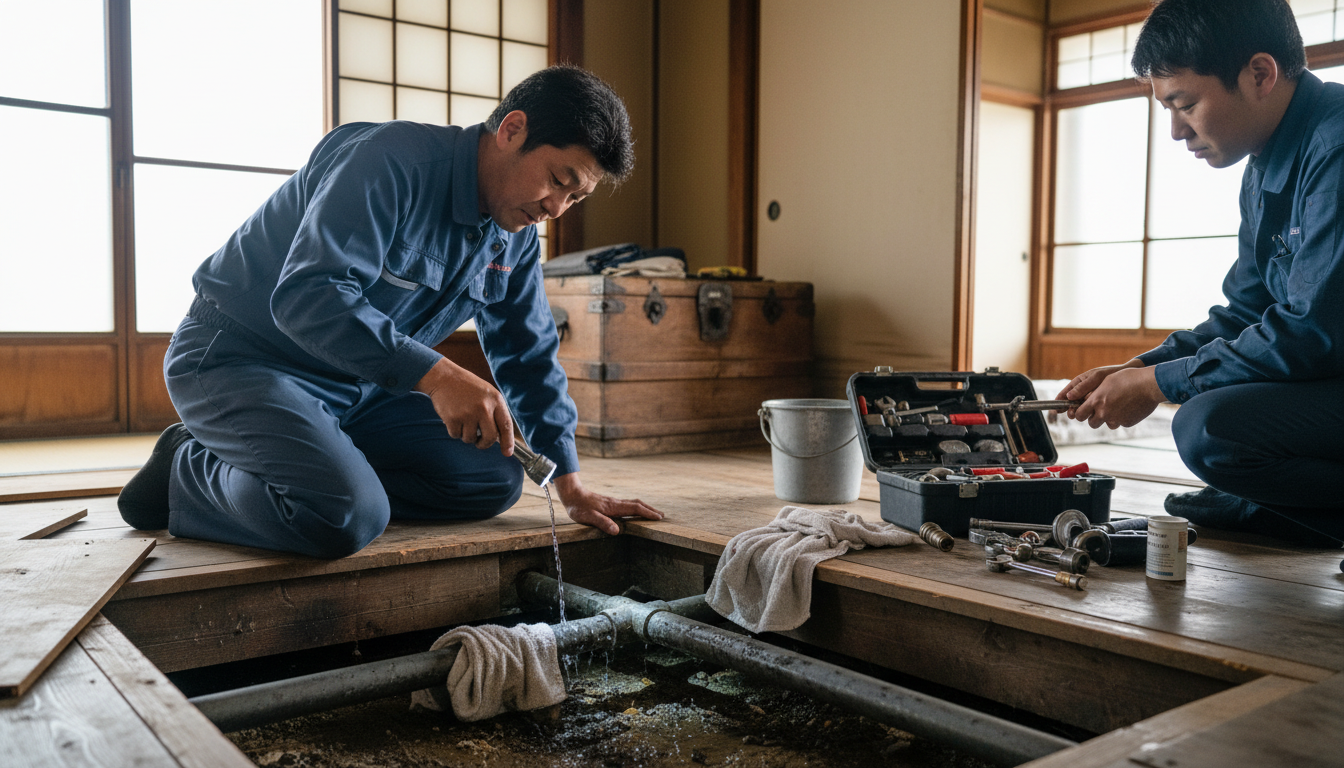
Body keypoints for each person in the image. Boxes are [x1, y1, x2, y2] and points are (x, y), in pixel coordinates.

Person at [117, 65, 663, 558]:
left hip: (358, 388)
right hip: (240, 361)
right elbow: (308, 295)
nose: (555, 209)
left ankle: (304, 460)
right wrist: (438, 374)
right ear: (512, 129)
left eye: (575, 198)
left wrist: (568, 484)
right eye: (558, 181)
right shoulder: (390, 160)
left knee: (495, 476)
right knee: (345, 516)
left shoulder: (513, 231)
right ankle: (187, 472)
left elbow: (527, 352)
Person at [1058, 0, 1343, 547]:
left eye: (1184, 104)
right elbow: (1245, 311)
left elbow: (1312, 336)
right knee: (1213, 423)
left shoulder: (1337, 148)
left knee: (1208, 428)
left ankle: (1296, 514)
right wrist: (1140, 366)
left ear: (1260, 74)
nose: (1173, 131)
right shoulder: (1267, 162)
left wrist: (1160, 384)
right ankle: (1287, 512)